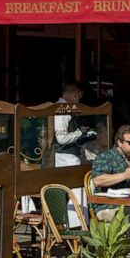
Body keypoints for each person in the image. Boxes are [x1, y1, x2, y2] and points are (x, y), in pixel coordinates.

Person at [53, 82, 94, 226]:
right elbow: (62, 138)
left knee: (74, 190)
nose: (78, 101)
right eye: (78, 98)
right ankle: (77, 226)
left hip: (64, 155)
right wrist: (80, 132)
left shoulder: (61, 107)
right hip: (66, 156)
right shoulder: (63, 109)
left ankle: (74, 224)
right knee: (78, 189)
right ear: (75, 95)